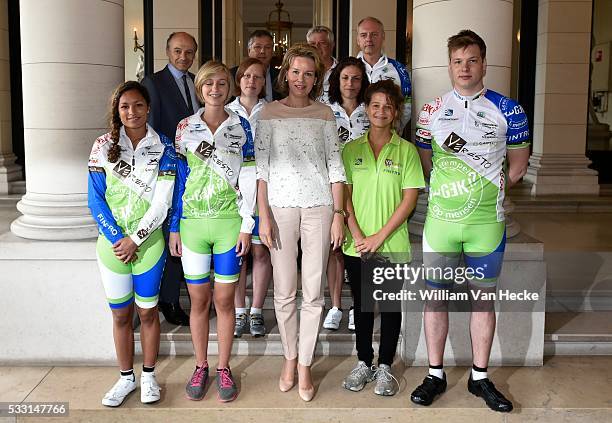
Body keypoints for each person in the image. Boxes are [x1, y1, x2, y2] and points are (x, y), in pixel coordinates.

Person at [410, 30, 531, 413]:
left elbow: (519, 165)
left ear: (484, 63)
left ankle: (480, 377)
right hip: (441, 223)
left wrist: (491, 189)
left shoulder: (508, 109)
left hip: (486, 225)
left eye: (472, 60)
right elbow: (425, 162)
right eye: (458, 61)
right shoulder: (431, 111)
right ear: (449, 65)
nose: (465, 68)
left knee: (483, 299)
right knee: (435, 299)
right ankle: (435, 373)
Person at [255, 44, 346, 402]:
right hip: (279, 209)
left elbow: (336, 169)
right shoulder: (267, 113)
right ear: (285, 73)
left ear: (316, 78)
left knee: (313, 291)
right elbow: (261, 170)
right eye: (296, 72)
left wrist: (338, 216)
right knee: (284, 291)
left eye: (309, 74)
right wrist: (263, 214)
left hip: (320, 208)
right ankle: (289, 358)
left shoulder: (325, 114)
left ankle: (305, 363)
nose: (301, 79)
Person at [168, 60, 256, 403]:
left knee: (224, 300)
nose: (215, 90)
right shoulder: (184, 127)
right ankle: (200, 365)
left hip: (228, 223)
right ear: (199, 89)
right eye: (209, 85)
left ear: (229, 88)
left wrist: (248, 226)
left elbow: (250, 178)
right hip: (192, 225)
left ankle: (223, 367)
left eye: (221, 84)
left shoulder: (242, 126)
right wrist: (174, 226)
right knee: (199, 300)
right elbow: (177, 180)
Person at [88, 81, 175, 407]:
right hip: (112, 246)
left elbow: (162, 203)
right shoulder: (101, 146)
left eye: (138, 105)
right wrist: (118, 238)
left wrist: (136, 239)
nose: (132, 112)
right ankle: (126, 378)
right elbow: (95, 201)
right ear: (117, 110)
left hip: (148, 244)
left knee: (148, 313)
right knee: (121, 316)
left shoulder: (164, 146)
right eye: (125, 107)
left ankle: (149, 377)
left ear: (148, 107)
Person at [341, 80, 424, 396]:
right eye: (375, 105)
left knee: (389, 306)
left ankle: (386, 366)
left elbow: (409, 200)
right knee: (362, 306)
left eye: (387, 106)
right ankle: (364, 361)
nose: (380, 111)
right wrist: (360, 235)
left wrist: (379, 236)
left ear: (396, 112)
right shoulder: (351, 149)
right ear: (366, 108)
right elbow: (344, 197)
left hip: (392, 244)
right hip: (357, 244)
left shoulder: (407, 151)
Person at [142, 31, 200, 326]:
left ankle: (172, 296)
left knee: (182, 235)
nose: (183, 57)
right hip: (167, 171)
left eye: (189, 52)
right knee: (168, 236)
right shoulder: (153, 83)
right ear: (168, 51)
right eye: (178, 51)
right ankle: (166, 299)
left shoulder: (195, 82)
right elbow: (150, 130)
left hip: (193, 171)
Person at [322, 57, 370, 332]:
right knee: (336, 247)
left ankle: (357, 306)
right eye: (345, 78)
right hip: (334, 186)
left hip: (366, 186)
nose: (350, 84)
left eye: (356, 79)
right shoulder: (325, 111)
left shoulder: (371, 109)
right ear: (336, 80)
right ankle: (336, 305)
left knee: (360, 246)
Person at [227, 58, 272, 338]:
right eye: (246, 75)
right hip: (234, 191)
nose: (251, 81)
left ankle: (256, 311)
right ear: (239, 79)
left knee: (260, 251)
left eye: (257, 77)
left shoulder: (273, 111)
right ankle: (239, 311)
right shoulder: (225, 110)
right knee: (238, 253)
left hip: (265, 188)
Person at [356, 17, 412, 135]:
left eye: (374, 34)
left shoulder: (399, 69)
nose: (368, 39)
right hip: (353, 143)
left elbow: (406, 107)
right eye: (363, 35)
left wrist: (392, 130)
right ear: (358, 40)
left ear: (383, 37)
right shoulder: (347, 69)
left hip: (388, 141)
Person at [231, 30, 281, 102]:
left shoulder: (280, 76)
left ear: (272, 52)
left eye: (267, 47)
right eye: (258, 47)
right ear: (248, 51)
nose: (262, 51)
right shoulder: (232, 75)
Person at [306, 25, 337, 104]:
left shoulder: (343, 70)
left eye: (322, 43)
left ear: (332, 45)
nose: (317, 47)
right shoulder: (302, 72)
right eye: (312, 43)